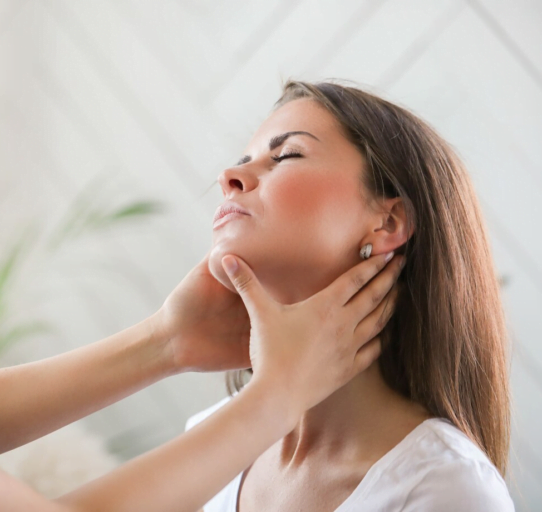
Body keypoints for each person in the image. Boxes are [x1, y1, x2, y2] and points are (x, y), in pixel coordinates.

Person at [0, 1, 403, 511]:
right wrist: (275, 398)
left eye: (287, 154)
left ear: (391, 221)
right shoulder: (225, 451)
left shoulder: (435, 486)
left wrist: (169, 341)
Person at [186, 81, 515, 511]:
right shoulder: (207, 438)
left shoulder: (446, 488)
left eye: (286, 155)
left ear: (388, 221)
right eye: (242, 160)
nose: (228, 177)